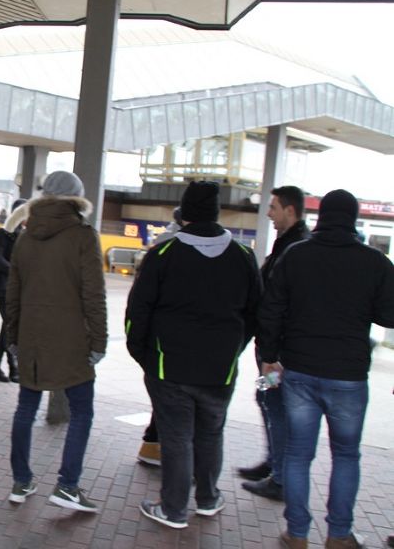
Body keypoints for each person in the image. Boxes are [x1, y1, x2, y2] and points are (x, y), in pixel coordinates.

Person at [259, 189, 394, 549]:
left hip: (299, 371)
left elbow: (271, 309)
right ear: (352, 219)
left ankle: (297, 533)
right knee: (347, 455)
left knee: (299, 454)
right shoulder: (375, 262)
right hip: (348, 376)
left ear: (323, 217)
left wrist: (268, 356)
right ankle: (338, 535)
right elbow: (388, 315)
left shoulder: (296, 255)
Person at [127, 181, 261, 529]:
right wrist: (234, 348)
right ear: (216, 213)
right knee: (211, 433)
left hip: (169, 366)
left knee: (176, 438)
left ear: (184, 213)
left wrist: (144, 356)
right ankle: (207, 498)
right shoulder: (243, 256)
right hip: (220, 369)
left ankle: (172, 509)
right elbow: (255, 313)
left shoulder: (164, 255)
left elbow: (137, 312)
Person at [5, 171, 107, 513]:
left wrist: (13, 337)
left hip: (31, 336)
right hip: (71, 340)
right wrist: (99, 340)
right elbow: (94, 294)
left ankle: (21, 481)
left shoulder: (26, 235)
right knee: (82, 411)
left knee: (25, 408)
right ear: (77, 198)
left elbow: (13, 294)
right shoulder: (82, 235)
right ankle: (67, 486)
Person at [238, 185, 309, 501]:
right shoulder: (287, 245)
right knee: (267, 400)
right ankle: (273, 464)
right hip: (271, 349)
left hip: (277, 355)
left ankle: (278, 476)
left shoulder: (297, 248)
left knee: (274, 405)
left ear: (290, 211)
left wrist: (271, 352)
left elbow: (282, 303)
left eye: (274, 207)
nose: (269, 213)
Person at [136, 206, 183, 467]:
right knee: (173, 400)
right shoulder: (178, 246)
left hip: (157, 335)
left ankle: (151, 445)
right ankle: (161, 449)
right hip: (173, 337)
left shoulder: (161, 243)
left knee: (162, 396)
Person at [0, 198, 27, 383]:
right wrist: (16, 271)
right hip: (2, 288)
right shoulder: (2, 233)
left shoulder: (24, 235)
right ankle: (11, 368)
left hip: (15, 289)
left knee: (7, 327)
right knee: (10, 326)